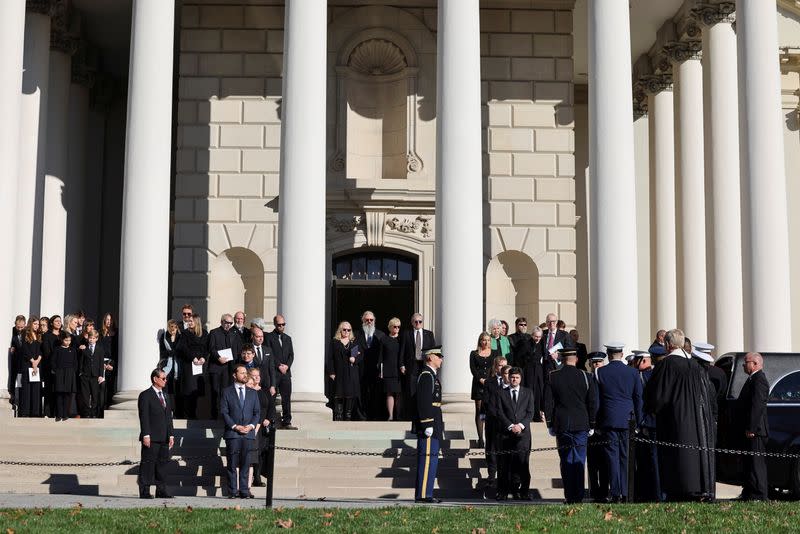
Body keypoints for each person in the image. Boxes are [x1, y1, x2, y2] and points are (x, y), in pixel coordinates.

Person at [643, 328, 715, 501]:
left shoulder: (667, 364)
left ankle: (680, 489)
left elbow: (657, 396)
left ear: (668, 345)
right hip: (697, 421)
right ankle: (697, 488)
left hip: (674, 421)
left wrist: (650, 408)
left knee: (676, 459)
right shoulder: (696, 366)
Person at [544, 348, 598, 504]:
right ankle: (578, 496)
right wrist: (592, 423)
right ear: (576, 359)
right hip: (581, 423)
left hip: (563, 423)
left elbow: (548, 402)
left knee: (566, 460)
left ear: (561, 358)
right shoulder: (586, 376)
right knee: (579, 460)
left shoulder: (554, 376)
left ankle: (569, 495)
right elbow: (592, 402)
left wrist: (549, 423)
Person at [595, 342, 642, 502]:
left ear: (608, 355)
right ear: (621, 354)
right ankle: (625, 492)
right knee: (625, 457)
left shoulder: (600, 372)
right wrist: (638, 420)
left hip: (609, 420)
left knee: (612, 457)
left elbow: (597, 401)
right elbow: (638, 398)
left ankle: (615, 492)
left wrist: (597, 422)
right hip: (628, 419)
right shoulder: (633, 372)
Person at [494, 366, 535, 501]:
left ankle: (523, 492)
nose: (514, 380)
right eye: (512, 377)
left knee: (523, 464)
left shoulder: (528, 393)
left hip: (523, 435)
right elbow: (499, 412)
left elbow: (530, 412)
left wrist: (520, 426)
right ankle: (503, 492)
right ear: (508, 378)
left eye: (517, 377)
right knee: (504, 465)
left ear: (520, 379)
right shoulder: (501, 393)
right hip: (506, 434)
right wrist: (511, 426)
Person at [220, 364, 260, 498]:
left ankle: (244, 490)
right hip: (233, 434)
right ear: (234, 375)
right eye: (242, 373)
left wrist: (251, 426)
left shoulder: (252, 393)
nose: (245, 375)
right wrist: (235, 426)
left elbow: (257, 413)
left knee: (245, 463)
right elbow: (224, 412)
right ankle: (232, 491)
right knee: (232, 463)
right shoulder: (227, 392)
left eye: (245, 373)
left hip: (248, 434)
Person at [137, 369, 174, 499]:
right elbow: (144, 417)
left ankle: (161, 490)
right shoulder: (145, 395)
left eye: (165, 378)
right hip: (151, 437)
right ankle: (145, 491)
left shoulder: (166, 396)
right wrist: (146, 434)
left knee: (162, 465)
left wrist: (171, 435)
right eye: (163, 378)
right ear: (155, 379)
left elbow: (168, 417)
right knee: (148, 464)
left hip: (164, 437)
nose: (165, 381)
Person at [737, 352, 769, 501]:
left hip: (756, 431)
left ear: (755, 363)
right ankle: (750, 493)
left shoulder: (759, 380)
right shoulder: (752, 379)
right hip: (751, 430)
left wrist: (751, 428)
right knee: (749, 463)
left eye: (746, 362)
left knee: (757, 465)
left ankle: (760, 495)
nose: (744, 365)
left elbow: (757, 406)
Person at [414, 346, 444, 503]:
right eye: (438, 355)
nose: (441, 358)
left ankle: (427, 493)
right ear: (430, 357)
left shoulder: (431, 375)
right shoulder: (426, 375)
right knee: (427, 460)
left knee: (431, 461)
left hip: (435, 421)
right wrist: (427, 424)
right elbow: (423, 401)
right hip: (429, 423)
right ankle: (423, 495)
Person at [633, 351, 661, 502]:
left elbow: (639, 401)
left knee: (647, 461)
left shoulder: (641, 376)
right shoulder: (656, 374)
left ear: (643, 360)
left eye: (637, 360)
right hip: (657, 422)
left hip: (647, 423)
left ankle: (648, 492)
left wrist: (640, 422)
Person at [208, 314, 243, 420]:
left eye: (230, 323)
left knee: (226, 392)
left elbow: (237, 349)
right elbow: (211, 348)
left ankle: (225, 415)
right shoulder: (214, 332)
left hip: (229, 368)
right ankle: (214, 415)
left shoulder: (234, 334)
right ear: (221, 322)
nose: (228, 325)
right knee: (215, 391)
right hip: (216, 366)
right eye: (226, 322)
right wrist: (218, 357)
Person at [326, 322, 363, 421]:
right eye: (344, 329)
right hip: (339, 372)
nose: (346, 332)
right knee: (339, 394)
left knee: (350, 394)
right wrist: (331, 372)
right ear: (340, 330)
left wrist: (355, 359)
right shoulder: (335, 342)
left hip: (350, 372)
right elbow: (330, 358)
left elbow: (359, 356)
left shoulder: (353, 342)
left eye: (349, 330)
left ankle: (348, 416)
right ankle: (338, 416)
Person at [585, 352, 609, 501]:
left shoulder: (606, 379)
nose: (596, 365)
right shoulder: (586, 379)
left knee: (605, 462)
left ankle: (604, 492)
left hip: (605, 425)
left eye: (599, 362)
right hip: (590, 426)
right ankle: (594, 492)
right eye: (594, 363)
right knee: (592, 462)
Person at [482, 358, 509, 490]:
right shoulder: (489, 382)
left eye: (505, 366)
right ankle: (491, 476)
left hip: (507, 423)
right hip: (493, 421)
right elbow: (486, 401)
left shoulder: (511, 382)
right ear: (495, 367)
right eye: (500, 366)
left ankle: (505, 477)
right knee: (491, 449)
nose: (503, 368)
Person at [175, 313, 208, 419]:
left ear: (196, 322)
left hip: (200, 365)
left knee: (196, 391)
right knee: (188, 390)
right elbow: (183, 348)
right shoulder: (184, 334)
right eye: (188, 321)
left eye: (191, 321)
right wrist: (192, 357)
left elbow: (206, 348)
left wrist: (203, 357)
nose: (189, 323)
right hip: (189, 365)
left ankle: (193, 414)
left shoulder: (204, 333)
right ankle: (187, 414)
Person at [470, 332, 499, 448]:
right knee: (480, 411)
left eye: (488, 340)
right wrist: (480, 379)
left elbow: (497, 368)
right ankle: (480, 438)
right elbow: (472, 368)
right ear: (480, 341)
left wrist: (490, 380)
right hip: (478, 385)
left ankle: (489, 437)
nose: (485, 342)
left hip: (491, 384)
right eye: (483, 340)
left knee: (490, 410)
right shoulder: (474, 354)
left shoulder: (495, 353)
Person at [248, 367, 276, 488]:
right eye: (254, 375)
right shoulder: (248, 391)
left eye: (258, 375)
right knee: (254, 452)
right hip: (253, 426)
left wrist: (268, 419)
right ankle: (253, 477)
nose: (257, 377)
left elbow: (271, 407)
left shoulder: (265, 391)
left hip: (263, 427)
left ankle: (258, 477)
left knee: (261, 452)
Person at [267, 314, 296, 429]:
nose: (281, 327)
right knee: (272, 397)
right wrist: (279, 365)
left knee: (286, 398)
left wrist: (287, 366)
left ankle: (287, 421)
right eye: (279, 325)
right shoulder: (269, 337)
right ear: (275, 324)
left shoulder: (288, 338)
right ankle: (271, 420)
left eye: (283, 324)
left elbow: (291, 355)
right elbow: (270, 354)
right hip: (274, 372)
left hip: (286, 373)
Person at [355, 311, 384, 420]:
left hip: (376, 370)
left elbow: (384, 354)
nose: (369, 322)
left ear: (374, 321)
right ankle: (362, 416)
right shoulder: (356, 334)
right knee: (362, 393)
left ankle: (374, 416)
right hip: (361, 369)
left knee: (375, 393)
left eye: (371, 320)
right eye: (366, 320)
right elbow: (354, 349)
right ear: (362, 320)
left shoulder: (381, 335)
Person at [400, 313, 436, 402]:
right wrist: (401, 364)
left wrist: (434, 365)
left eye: (420, 321)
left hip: (425, 365)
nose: (418, 323)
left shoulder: (429, 334)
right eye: (415, 322)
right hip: (411, 366)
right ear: (412, 322)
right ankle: (412, 413)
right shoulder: (406, 334)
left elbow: (433, 351)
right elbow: (402, 350)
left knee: (424, 388)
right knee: (412, 390)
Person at [378, 317, 403, 421]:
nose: (397, 328)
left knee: (399, 393)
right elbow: (380, 356)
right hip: (388, 370)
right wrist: (380, 370)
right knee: (389, 392)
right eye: (395, 326)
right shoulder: (384, 339)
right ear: (390, 327)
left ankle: (399, 415)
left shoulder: (401, 339)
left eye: (398, 327)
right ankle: (391, 415)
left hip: (399, 370)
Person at [78, 330, 106, 418]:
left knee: (95, 395)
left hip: (95, 375)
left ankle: (94, 413)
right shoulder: (84, 348)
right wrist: (80, 372)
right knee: (85, 395)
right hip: (85, 375)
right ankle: (86, 413)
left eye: (93, 338)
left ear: (96, 339)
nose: (91, 340)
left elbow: (101, 363)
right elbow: (81, 361)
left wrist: (101, 375)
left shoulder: (100, 349)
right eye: (90, 338)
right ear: (88, 338)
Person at [18, 317, 42, 417]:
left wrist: (37, 361)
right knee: (26, 388)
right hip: (27, 364)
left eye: (38, 324)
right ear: (31, 324)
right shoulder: (25, 334)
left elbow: (41, 350)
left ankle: (35, 412)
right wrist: (32, 361)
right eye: (35, 324)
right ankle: (25, 412)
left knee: (36, 388)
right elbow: (25, 349)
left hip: (37, 364)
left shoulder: (39, 335)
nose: (37, 326)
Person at [51, 333, 78, 421]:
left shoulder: (72, 350)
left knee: (67, 395)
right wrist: (55, 370)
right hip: (59, 373)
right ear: (62, 340)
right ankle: (58, 414)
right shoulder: (57, 349)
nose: (68, 342)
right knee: (59, 394)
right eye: (66, 340)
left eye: (69, 340)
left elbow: (75, 362)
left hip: (69, 373)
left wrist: (73, 371)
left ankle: (66, 414)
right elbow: (53, 361)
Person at [159, 320, 182, 416]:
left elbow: (180, 350)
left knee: (177, 390)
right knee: (167, 390)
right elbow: (162, 352)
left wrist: (173, 352)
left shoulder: (180, 337)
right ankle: (168, 411)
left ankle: (177, 412)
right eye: (171, 327)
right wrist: (172, 352)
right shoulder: (164, 337)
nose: (173, 329)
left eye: (175, 327)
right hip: (167, 367)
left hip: (177, 366)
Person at [252, 327, 276, 396]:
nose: (260, 339)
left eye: (262, 336)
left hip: (267, 384)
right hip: (253, 384)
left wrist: (273, 385)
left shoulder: (268, 350)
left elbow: (272, 369)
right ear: (253, 337)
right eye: (258, 336)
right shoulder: (248, 349)